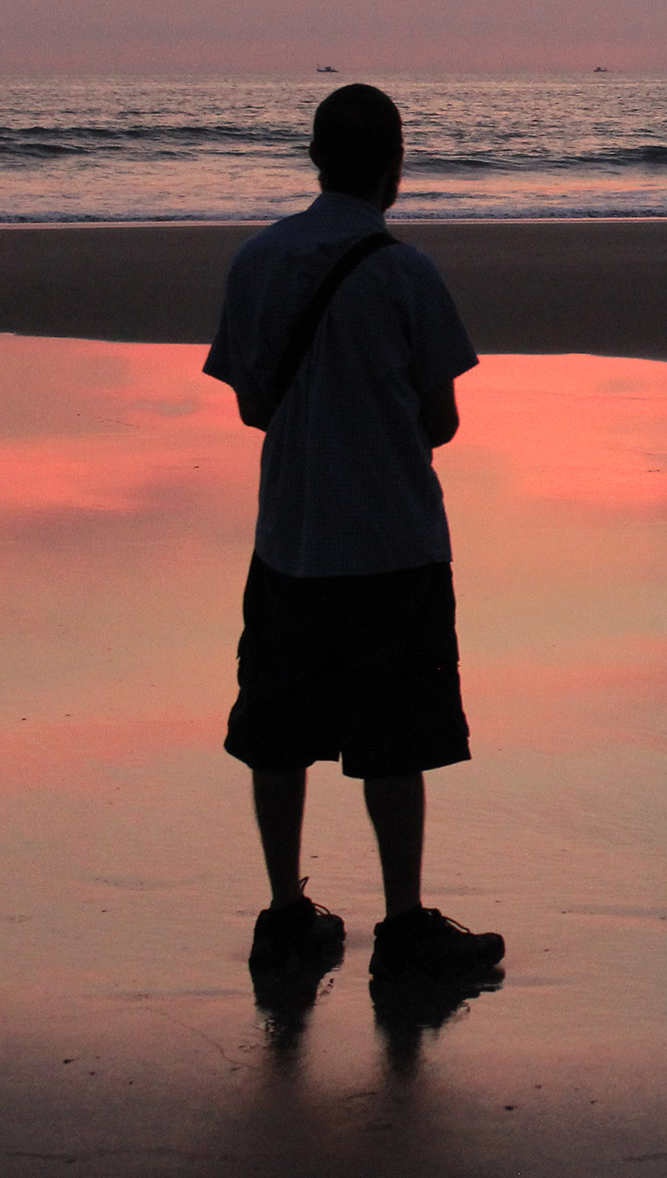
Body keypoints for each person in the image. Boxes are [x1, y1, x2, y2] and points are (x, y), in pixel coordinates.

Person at [206, 84, 505, 984]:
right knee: (396, 736)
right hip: (393, 540)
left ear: (314, 159)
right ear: (393, 165)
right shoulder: (407, 273)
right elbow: (442, 420)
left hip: (291, 538)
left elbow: (252, 401)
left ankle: (285, 910)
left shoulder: (257, 261)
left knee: (278, 729)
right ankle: (404, 925)